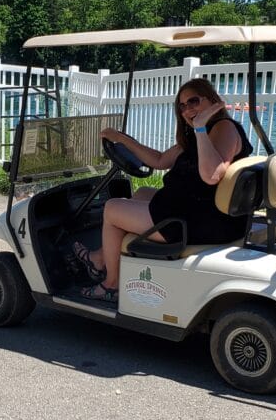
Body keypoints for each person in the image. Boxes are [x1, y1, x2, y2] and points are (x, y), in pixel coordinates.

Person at [70, 78, 254, 302]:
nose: (188, 109)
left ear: (211, 99)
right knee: (141, 193)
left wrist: (200, 128)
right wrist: (122, 139)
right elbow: (159, 160)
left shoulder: (222, 128)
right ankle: (100, 259)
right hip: (194, 209)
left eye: (193, 101)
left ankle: (111, 285)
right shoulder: (198, 135)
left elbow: (212, 175)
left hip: (198, 222)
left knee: (111, 208)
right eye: (182, 106)